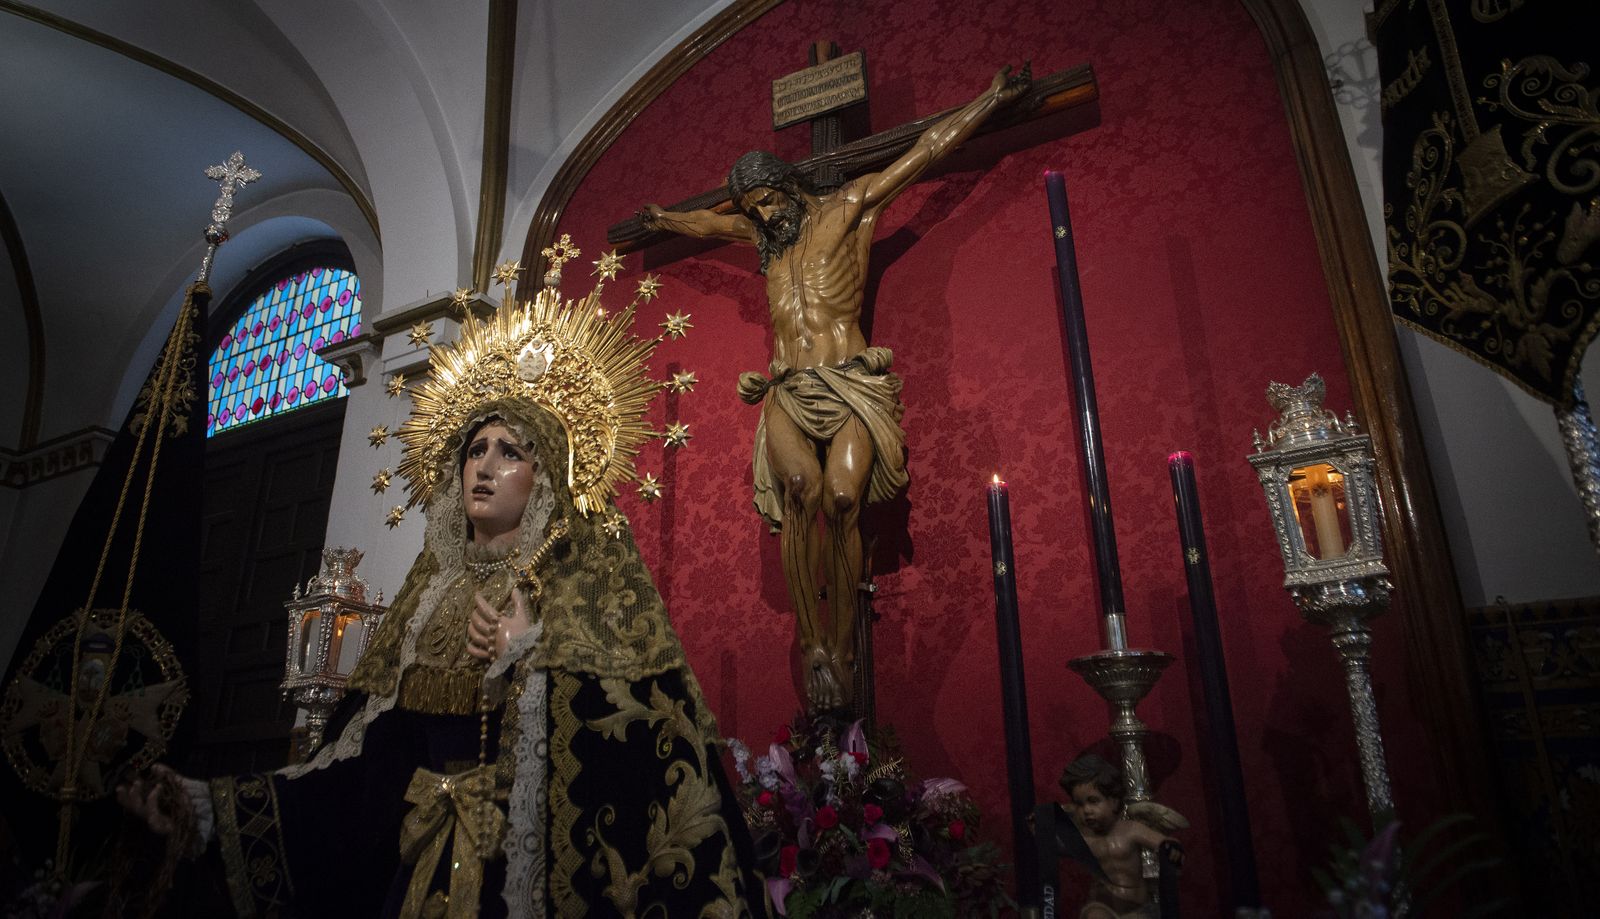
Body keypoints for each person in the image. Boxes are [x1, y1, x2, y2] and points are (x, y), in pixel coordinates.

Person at [120, 280, 768, 917]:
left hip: (515, 874)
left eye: (510, 452)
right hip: (418, 870)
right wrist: (215, 806)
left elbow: (633, 755)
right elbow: (365, 770)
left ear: (546, 477)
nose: (483, 466)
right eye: (475, 450)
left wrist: (530, 656)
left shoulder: (580, 588)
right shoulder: (427, 599)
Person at [640, 66, 1029, 711]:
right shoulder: (763, 237)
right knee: (801, 489)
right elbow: (706, 226)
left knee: (844, 498)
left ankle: (843, 643)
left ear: (788, 185)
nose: (762, 214)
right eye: (752, 209)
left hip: (849, 382)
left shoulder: (850, 209)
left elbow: (926, 151)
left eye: (768, 200)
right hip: (788, 388)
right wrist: (662, 218)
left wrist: (988, 99)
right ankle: (811, 642)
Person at [1060, 755, 1183, 919]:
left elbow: (1163, 842)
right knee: (1095, 916)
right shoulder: (1083, 837)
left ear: (1114, 801)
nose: (1086, 810)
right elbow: (1054, 846)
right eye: (1080, 804)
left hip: (1138, 907)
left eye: (1093, 801)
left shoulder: (1130, 830)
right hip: (1103, 906)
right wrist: (1041, 827)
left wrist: (1172, 849)